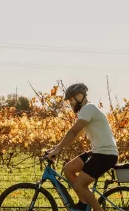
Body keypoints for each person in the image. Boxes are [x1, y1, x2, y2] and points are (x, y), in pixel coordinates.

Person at [45, 83, 119, 211]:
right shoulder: (86, 112)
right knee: (68, 169)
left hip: (105, 154)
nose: (71, 103)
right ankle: (84, 202)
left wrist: (57, 149)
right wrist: (56, 148)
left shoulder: (88, 109)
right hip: (98, 152)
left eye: (71, 100)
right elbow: (75, 135)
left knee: (80, 184)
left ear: (80, 96)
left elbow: (73, 131)